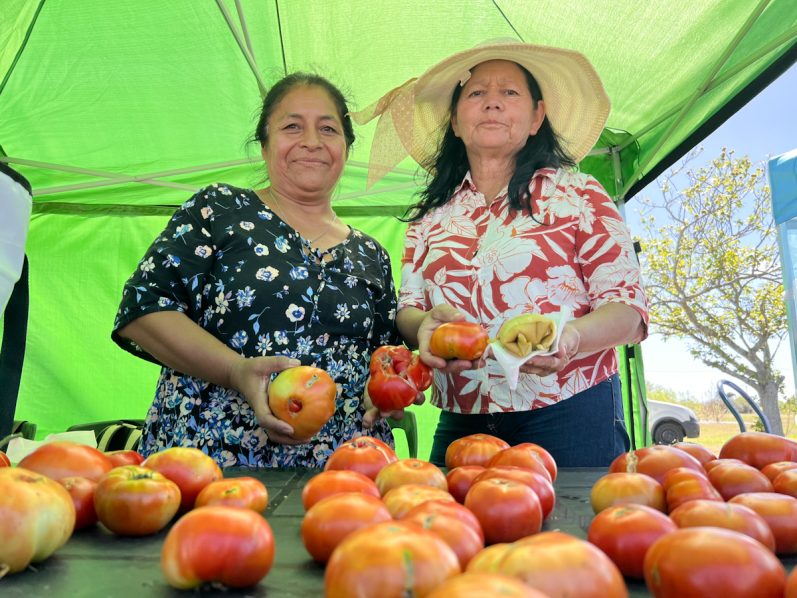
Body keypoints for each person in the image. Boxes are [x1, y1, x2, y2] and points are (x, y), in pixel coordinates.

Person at [354, 40, 649, 467]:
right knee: (450, 530)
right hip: (462, 417)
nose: (492, 103)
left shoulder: (579, 194)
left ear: (536, 117)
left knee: (571, 532)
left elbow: (629, 311)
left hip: (569, 409)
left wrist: (571, 339)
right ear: (455, 122)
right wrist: (424, 328)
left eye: (509, 93)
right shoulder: (431, 217)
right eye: (476, 94)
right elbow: (409, 310)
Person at [113, 73, 401, 468]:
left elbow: (383, 356)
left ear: (346, 148)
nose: (312, 142)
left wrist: (386, 391)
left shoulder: (372, 254)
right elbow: (143, 312)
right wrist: (236, 371)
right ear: (264, 144)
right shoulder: (219, 209)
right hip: (210, 459)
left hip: (344, 473)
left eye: (328, 128)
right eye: (291, 126)